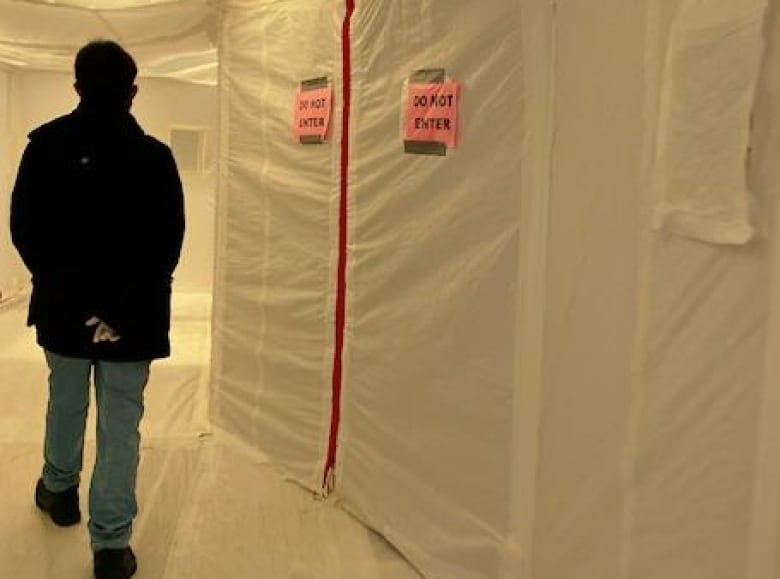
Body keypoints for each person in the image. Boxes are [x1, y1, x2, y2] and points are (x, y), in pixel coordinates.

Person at [9, 40, 185, 579]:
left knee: (64, 401)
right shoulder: (155, 158)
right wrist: (114, 313)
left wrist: (83, 306)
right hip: (132, 321)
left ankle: (59, 491)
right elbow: (166, 245)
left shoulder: (44, 147)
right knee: (120, 422)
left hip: (65, 314)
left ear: (77, 87)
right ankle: (110, 546)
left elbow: (26, 233)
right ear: (133, 91)